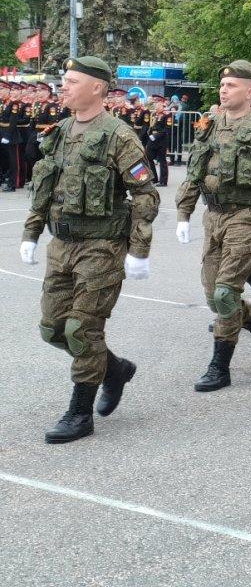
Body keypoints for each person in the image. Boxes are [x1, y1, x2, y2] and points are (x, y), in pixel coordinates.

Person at [19, 56, 160, 443]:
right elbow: (44, 189)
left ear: (96, 88)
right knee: (52, 329)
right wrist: (31, 233)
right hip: (62, 245)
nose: (63, 87)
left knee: (81, 329)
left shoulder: (118, 135)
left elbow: (145, 195)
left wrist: (139, 249)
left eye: (72, 81)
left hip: (102, 247)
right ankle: (115, 370)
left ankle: (80, 413)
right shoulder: (61, 130)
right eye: (64, 81)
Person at [175, 59, 251, 391]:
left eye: (231, 85)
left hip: (247, 216)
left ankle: (219, 367)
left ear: (249, 92)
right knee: (214, 296)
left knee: (226, 292)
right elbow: (195, 171)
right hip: (213, 216)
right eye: (222, 85)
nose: (224, 90)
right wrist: (183, 213)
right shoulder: (211, 123)